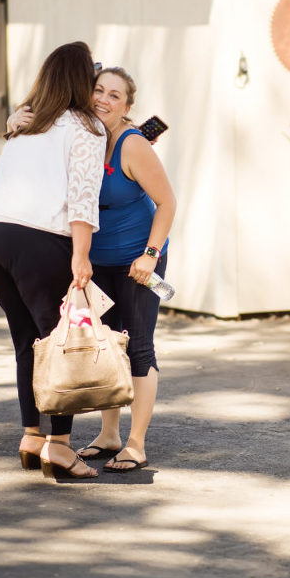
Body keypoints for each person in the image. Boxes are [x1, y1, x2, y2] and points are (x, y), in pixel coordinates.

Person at [21, 66, 176, 473]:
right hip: (97, 261)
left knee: (139, 345)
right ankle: (108, 435)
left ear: (127, 107)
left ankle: (136, 443)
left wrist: (151, 254)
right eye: (98, 91)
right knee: (108, 343)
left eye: (115, 95)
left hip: (137, 259)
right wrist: (14, 120)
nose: (103, 100)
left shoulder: (133, 144)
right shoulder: (84, 135)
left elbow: (167, 203)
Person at [0, 41, 106, 480]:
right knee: (59, 341)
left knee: (27, 338)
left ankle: (32, 436)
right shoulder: (86, 126)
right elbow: (83, 196)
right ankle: (61, 447)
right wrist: (81, 257)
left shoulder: (26, 124)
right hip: (37, 235)